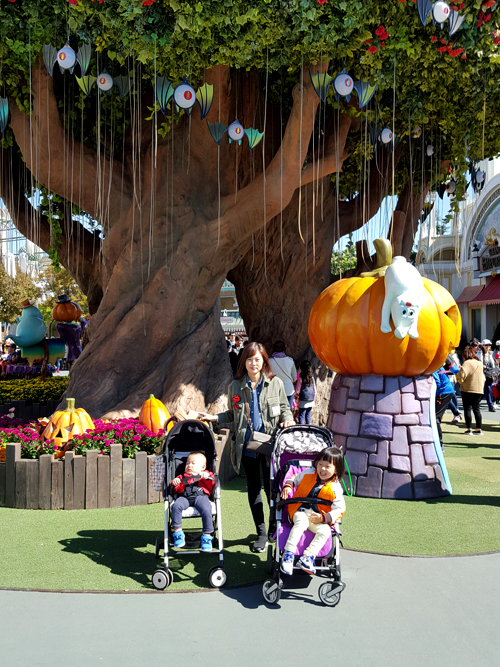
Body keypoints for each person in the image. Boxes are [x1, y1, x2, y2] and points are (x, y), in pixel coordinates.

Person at [199, 342, 294, 553]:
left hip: (270, 444)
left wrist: (288, 420)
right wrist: (214, 417)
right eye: (249, 359)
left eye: (257, 359)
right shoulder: (235, 387)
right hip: (247, 445)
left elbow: (286, 409)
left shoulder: (275, 383)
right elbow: (232, 415)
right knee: (253, 490)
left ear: (264, 362)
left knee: (272, 490)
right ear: (244, 362)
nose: (253, 363)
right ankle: (261, 532)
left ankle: (273, 527)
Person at [280, 446, 346, 576]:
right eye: (320, 464)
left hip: (318, 517)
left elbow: (340, 509)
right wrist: (289, 485)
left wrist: (323, 518)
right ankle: (288, 554)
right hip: (299, 510)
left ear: (336, 469)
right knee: (302, 523)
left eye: (327, 466)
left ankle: (308, 557)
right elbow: (294, 478)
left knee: (325, 531)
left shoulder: (336, 487)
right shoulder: (308, 473)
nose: (322, 469)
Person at [170, 452, 216, 552]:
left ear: (203, 467)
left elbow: (213, 482)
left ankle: (207, 536)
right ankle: (178, 532)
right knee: (176, 506)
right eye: (187, 463)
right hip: (184, 497)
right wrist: (175, 483)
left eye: (193, 463)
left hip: (200, 497)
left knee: (206, 508)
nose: (189, 465)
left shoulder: (205, 475)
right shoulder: (181, 477)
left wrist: (207, 476)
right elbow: (174, 489)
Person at [456, 345, 486, 435]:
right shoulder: (480, 363)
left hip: (468, 389)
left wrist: (458, 372)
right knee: (476, 409)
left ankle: (469, 429)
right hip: (479, 389)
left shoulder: (467, 363)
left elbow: (461, 376)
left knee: (467, 409)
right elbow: (483, 377)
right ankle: (478, 429)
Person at [268, 341, 297, 412]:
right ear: (284, 349)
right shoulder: (290, 360)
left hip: (275, 390)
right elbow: (294, 377)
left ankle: (277, 423)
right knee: (288, 412)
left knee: (276, 412)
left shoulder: (269, 361)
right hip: (288, 390)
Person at [432, 366, 456, 450]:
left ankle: (439, 444)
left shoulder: (432, 366)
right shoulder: (436, 364)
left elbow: (437, 382)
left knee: (435, 418)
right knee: (434, 417)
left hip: (443, 392)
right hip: (445, 391)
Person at [294, 360, 316, 425]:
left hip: (303, 401)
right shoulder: (312, 378)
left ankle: (302, 431)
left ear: (302, 369)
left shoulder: (300, 378)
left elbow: (297, 391)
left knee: (301, 417)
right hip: (311, 400)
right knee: (308, 417)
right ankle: (309, 431)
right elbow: (315, 390)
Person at [480, 339, 497, 411]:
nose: (488, 346)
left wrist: (494, 373)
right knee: (488, 389)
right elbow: (479, 364)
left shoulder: (490, 354)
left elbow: (493, 365)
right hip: (483, 374)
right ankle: (490, 405)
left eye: (489, 345)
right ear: (483, 346)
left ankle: (476, 402)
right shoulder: (480, 354)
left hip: (490, 374)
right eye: (486, 345)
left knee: (486, 391)